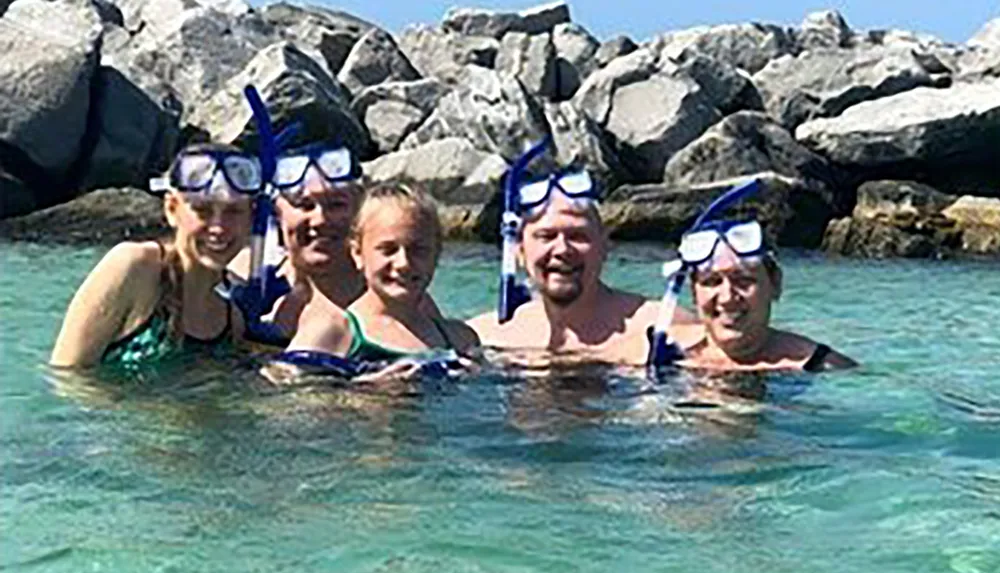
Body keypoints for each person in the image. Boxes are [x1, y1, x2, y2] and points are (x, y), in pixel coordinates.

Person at [467, 152, 695, 367]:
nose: (562, 249)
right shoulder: (487, 337)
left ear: (605, 246)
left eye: (578, 236)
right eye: (546, 236)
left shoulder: (663, 327)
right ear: (520, 251)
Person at [50, 143, 259, 368]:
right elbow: (68, 376)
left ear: (251, 217)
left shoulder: (232, 319)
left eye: (233, 211)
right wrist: (154, 405)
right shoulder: (134, 267)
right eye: (203, 210)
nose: (218, 227)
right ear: (171, 209)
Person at [285, 182, 479, 364]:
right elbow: (282, 392)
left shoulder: (459, 340)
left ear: (437, 255)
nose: (403, 263)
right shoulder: (332, 334)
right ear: (358, 253)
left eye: (418, 250)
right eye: (388, 250)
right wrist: (364, 390)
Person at [667, 224, 857, 372]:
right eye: (712, 281)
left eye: (743, 280)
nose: (727, 298)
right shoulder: (650, 352)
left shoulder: (822, 367)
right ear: (693, 291)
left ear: (775, 284)